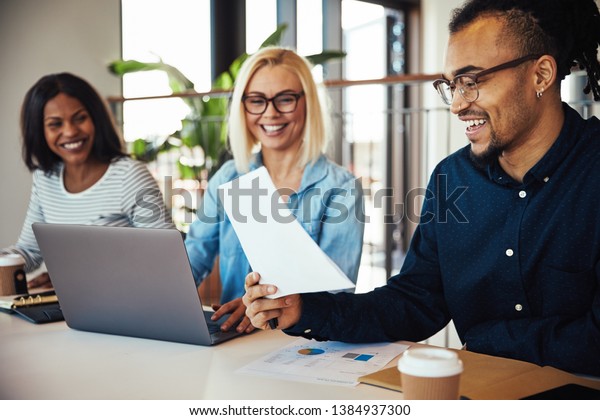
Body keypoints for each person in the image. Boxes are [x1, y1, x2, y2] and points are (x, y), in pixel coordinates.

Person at [243, 0, 600, 377]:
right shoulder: (453, 178)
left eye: (472, 81)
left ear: (541, 74)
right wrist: (304, 310)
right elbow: (415, 301)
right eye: (452, 85)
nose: (458, 105)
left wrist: (485, 342)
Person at [184, 47, 364, 334]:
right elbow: (193, 258)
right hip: (234, 339)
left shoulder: (339, 187)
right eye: (257, 100)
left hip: (301, 344)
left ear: (307, 103)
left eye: (285, 99)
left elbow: (335, 295)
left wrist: (264, 305)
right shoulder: (228, 178)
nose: (270, 113)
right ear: (243, 107)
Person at [1, 73, 175, 288]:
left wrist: (77, 279)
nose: (70, 131)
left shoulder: (129, 175)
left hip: (127, 305)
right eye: (55, 124)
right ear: (39, 131)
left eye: (80, 118)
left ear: (95, 118)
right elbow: (29, 251)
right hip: (68, 309)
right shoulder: (45, 179)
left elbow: (167, 259)